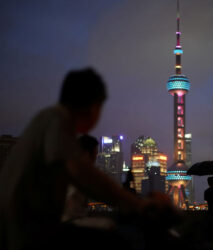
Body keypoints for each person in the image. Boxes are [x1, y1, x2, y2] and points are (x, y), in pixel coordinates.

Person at [0, 68, 173, 250]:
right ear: (93, 105)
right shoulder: (56, 119)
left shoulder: (46, 122)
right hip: (27, 233)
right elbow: (83, 174)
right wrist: (138, 204)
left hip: (26, 229)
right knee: (120, 241)